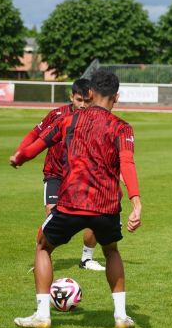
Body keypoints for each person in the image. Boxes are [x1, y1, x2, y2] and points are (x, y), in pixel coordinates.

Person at [10, 70, 142, 328]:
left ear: (90, 93)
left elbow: (39, 145)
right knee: (111, 251)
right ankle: (120, 316)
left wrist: (20, 158)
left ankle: (43, 314)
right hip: (105, 206)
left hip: (70, 202)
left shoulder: (68, 120)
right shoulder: (122, 127)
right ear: (117, 96)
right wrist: (136, 202)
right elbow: (127, 164)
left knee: (43, 247)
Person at [14, 78, 105, 272]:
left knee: (94, 215)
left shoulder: (96, 119)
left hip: (82, 176)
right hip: (55, 173)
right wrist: (20, 152)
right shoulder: (56, 115)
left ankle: (87, 259)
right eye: (79, 100)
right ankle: (43, 256)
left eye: (87, 101)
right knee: (52, 215)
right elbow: (34, 135)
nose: (82, 105)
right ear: (71, 97)